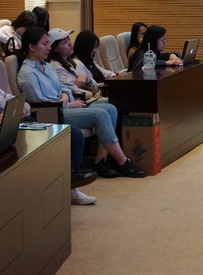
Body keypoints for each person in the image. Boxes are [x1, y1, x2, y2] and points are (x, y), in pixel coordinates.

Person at [0, 50, 97, 203]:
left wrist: (19, 108)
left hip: (15, 125)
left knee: (72, 133)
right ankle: (64, 183)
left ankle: (70, 182)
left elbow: (16, 101)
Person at [16, 27, 146, 178]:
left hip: (64, 106)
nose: (49, 47)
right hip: (53, 115)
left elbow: (63, 88)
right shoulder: (28, 73)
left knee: (111, 109)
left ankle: (101, 160)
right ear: (32, 47)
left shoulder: (46, 66)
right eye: (45, 44)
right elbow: (41, 104)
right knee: (100, 115)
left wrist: (65, 97)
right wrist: (67, 103)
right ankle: (123, 162)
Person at [130, 25, 203, 122]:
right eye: (163, 41)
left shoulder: (154, 52)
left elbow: (167, 55)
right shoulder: (142, 53)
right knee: (187, 88)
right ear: (154, 40)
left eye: (165, 40)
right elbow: (142, 64)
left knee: (190, 86)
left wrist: (172, 56)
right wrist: (167, 63)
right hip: (144, 92)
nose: (165, 43)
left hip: (157, 87)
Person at [48, 28, 111, 100]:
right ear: (55, 48)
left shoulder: (69, 63)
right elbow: (75, 92)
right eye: (65, 42)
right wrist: (91, 92)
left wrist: (88, 81)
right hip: (80, 102)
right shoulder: (56, 67)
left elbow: (89, 85)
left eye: (69, 39)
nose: (70, 43)